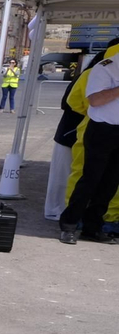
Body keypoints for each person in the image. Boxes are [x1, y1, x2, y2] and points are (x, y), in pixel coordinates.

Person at [58, 52, 119, 245]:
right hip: (102, 130)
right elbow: (95, 100)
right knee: (90, 180)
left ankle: (93, 228)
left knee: (111, 183)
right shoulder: (105, 67)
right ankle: (69, 224)